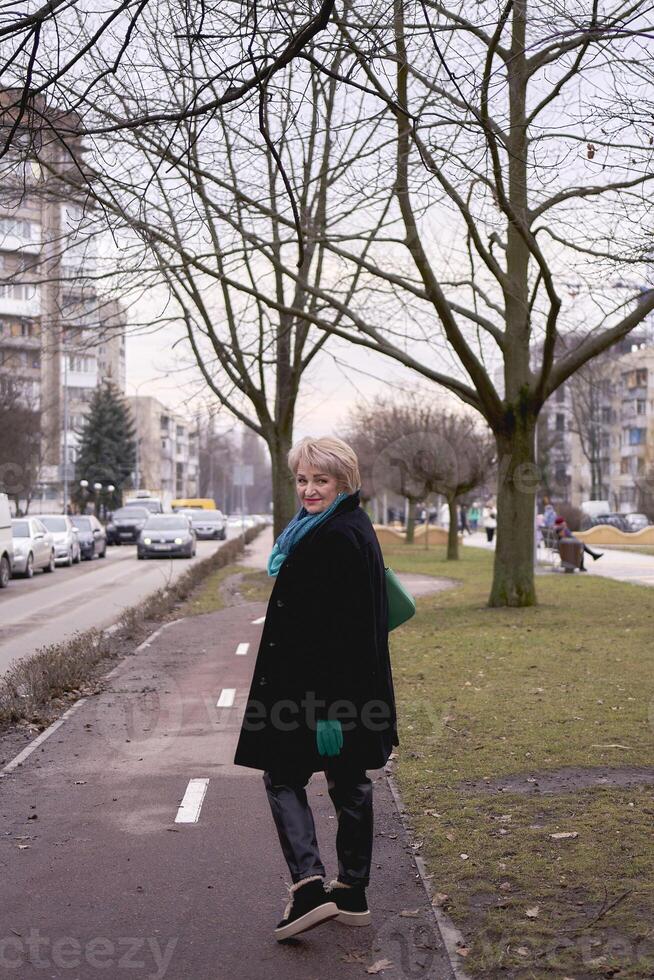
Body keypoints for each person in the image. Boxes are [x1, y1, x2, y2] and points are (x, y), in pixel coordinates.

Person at [233, 435, 399, 942]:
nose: (308, 489)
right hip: (337, 689)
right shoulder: (335, 527)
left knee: (283, 776)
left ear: (343, 482)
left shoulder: (336, 538)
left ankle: (308, 889)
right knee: (348, 782)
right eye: (302, 479)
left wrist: (329, 710)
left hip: (316, 694)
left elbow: (341, 633)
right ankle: (351, 894)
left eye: (320, 480)